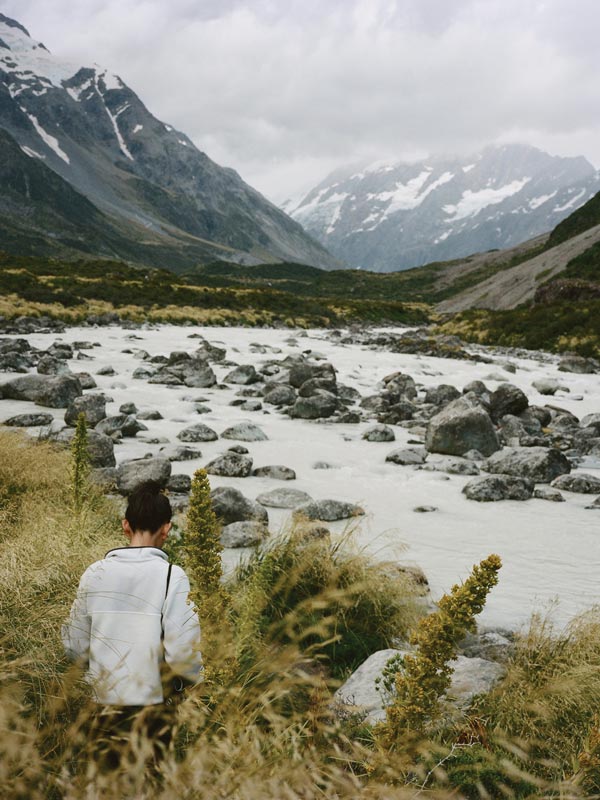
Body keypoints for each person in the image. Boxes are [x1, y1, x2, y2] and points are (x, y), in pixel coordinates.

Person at [62, 480, 202, 772]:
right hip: (153, 710)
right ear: (167, 529)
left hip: (101, 705)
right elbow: (183, 655)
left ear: (125, 526)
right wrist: (187, 682)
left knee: (103, 785)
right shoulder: (172, 577)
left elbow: (73, 646)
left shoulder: (95, 573)